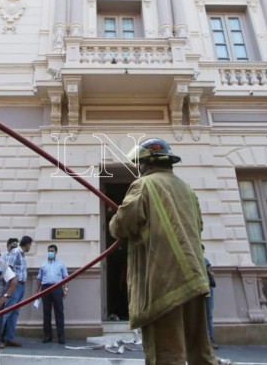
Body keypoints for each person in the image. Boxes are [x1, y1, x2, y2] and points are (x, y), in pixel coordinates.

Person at [109, 138, 218, 365]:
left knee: (166, 355)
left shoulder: (143, 185)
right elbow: (198, 228)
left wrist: (113, 220)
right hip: (195, 279)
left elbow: (121, 226)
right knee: (200, 352)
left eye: (140, 164)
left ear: (146, 164)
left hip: (164, 284)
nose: (139, 168)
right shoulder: (187, 190)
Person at [0, 235, 32, 348]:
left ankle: (9, 338)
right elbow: (9, 268)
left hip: (21, 286)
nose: (30, 247)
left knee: (15, 312)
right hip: (15, 286)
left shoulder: (21, 254)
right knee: (7, 311)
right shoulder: (15, 252)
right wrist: (13, 282)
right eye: (30, 245)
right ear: (27, 244)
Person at [36, 244, 69, 344]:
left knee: (59, 312)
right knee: (46, 313)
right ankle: (47, 336)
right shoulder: (43, 264)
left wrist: (66, 289)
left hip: (57, 288)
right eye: (49, 250)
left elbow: (66, 277)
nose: (50, 252)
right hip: (45, 288)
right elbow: (39, 278)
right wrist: (37, 292)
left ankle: (61, 337)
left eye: (52, 251)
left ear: (56, 252)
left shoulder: (61, 263)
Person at [202, 245, 218, 350]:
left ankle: (208, 341)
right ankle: (210, 341)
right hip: (206, 292)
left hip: (204, 291)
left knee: (205, 317)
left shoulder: (203, 261)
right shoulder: (205, 261)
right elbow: (211, 274)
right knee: (208, 317)